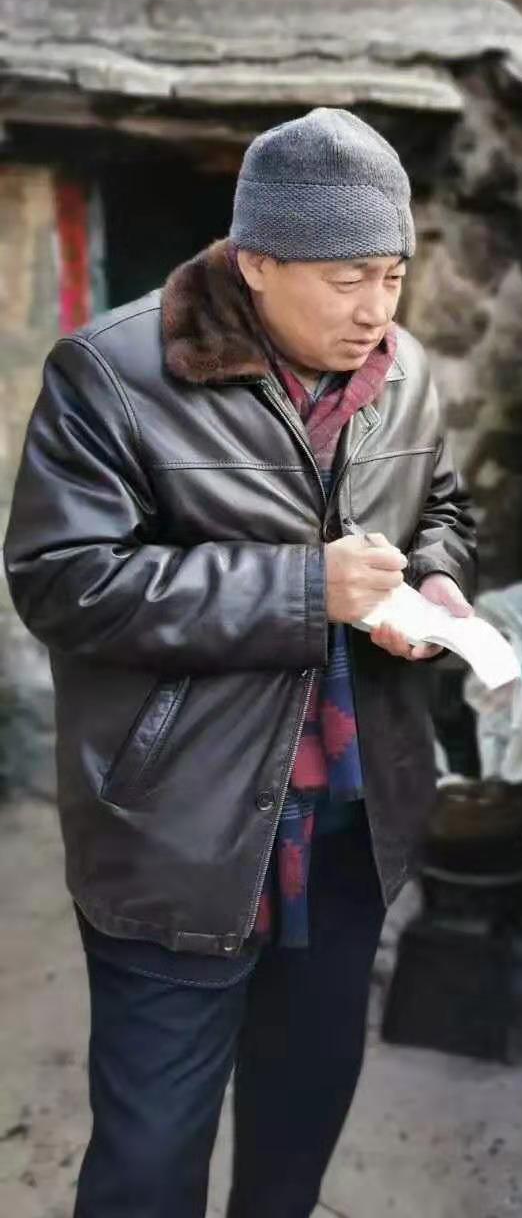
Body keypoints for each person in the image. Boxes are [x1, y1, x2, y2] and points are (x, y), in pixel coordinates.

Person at [3, 107, 477, 1218]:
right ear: (256, 261)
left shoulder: (404, 372)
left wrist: (435, 581)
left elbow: (443, 509)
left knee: (296, 1136)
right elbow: (63, 580)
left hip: (351, 823)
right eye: (348, 279)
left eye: (394, 277)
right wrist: (307, 589)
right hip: (181, 829)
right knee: (149, 1164)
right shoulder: (112, 375)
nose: (376, 311)